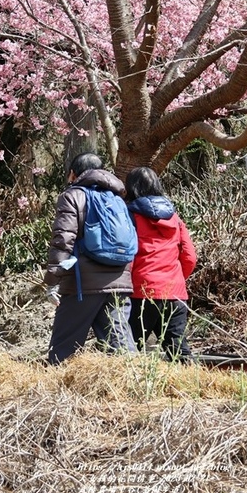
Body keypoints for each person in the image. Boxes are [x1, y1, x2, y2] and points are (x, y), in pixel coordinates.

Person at [43, 153, 137, 364]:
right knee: (121, 345)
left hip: (82, 283)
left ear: (72, 174)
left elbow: (63, 240)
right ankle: (136, 387)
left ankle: (56, 390)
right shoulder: (118, 199)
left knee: (64, 347)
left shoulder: (73, 195)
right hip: (119, 281)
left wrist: (52, 281)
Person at [125, 167, 198, 363]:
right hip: (174, 293)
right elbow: (190, 256)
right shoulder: (175, 218)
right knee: (179, 350)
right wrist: (177, 279)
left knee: (129, 349)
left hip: (142, 292)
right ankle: (193, 387)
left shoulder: (129, 218)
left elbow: (127, 256)